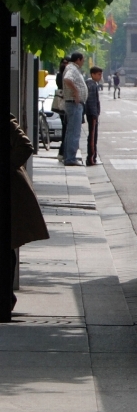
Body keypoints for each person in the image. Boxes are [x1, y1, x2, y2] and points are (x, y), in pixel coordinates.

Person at [8, 115, 49, 311]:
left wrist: (5, 167)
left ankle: (6, 299)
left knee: (6, 247)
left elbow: (26, 146)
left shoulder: (6, 121)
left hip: (7, 191)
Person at [61, 51, 88, 167]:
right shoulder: (72, 68)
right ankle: (70, 158)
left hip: (74, 104)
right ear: (78, 59)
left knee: (70, 131)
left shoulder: (72, 68)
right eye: (83, 59)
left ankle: (68, 156)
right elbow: (67, 79)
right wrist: (76, 92)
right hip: (74, 104)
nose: (84, 61)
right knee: (74, 132)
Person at [84, 67, 103, 166]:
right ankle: (91, 158)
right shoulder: (91, 85)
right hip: (92, 114)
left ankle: (93, 157)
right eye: (99, 74)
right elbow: (91, 101)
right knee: (92, 136)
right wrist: (94, 114)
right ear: (93, 74)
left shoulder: (92, 84)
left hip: (93, 114)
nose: (100, 77)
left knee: (94, 136)